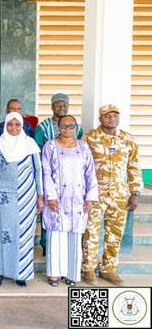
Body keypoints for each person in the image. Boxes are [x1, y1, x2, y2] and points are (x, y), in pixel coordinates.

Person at [82, 105, 142, 286]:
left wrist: (135, 192)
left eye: (115, 116)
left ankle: (109, 269)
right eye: (107, 116)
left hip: (119, 194)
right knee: (91, 231)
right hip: (95, 194)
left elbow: (133, 166)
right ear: (100, 118)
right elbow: (82, 166)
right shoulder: (89, 138)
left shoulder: (127, 139)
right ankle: (89, 268)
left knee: (115, 233)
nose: (111, 119)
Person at [42, 114, 98, 287]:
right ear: (58, 127)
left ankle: (71, 274)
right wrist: (50, 196)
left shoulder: (83, 146)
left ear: (76, 128)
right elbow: (46, 172)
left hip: (78, 198)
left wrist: (90, 197)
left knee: (74, 235)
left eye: (71, 126)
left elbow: (90, 172)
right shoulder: (50, 146)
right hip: (57, 197)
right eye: (64, 126)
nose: (67, 129)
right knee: (56, 235)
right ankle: (54, 274)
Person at [0, 112, 42, 287]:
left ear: (22, 126)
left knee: (23, 233)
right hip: (1, 195)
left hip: (26, 195)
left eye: (17, 124)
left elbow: (38, 170)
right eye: (10, 124)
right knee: (0, 232)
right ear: (5, 125)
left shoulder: (30, 144)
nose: (13, 128)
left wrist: (41, 195)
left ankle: (21, 272)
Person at [33, 92, 83, 256]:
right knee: (50, 210)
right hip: (49, 175)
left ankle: (67, 246)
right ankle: (47, 244)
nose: (61, 107)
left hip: (72, 177)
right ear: (52, 107)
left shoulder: (77, 127)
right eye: (58, 105)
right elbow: (38, 151)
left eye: (64, 105)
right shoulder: (42, 127)